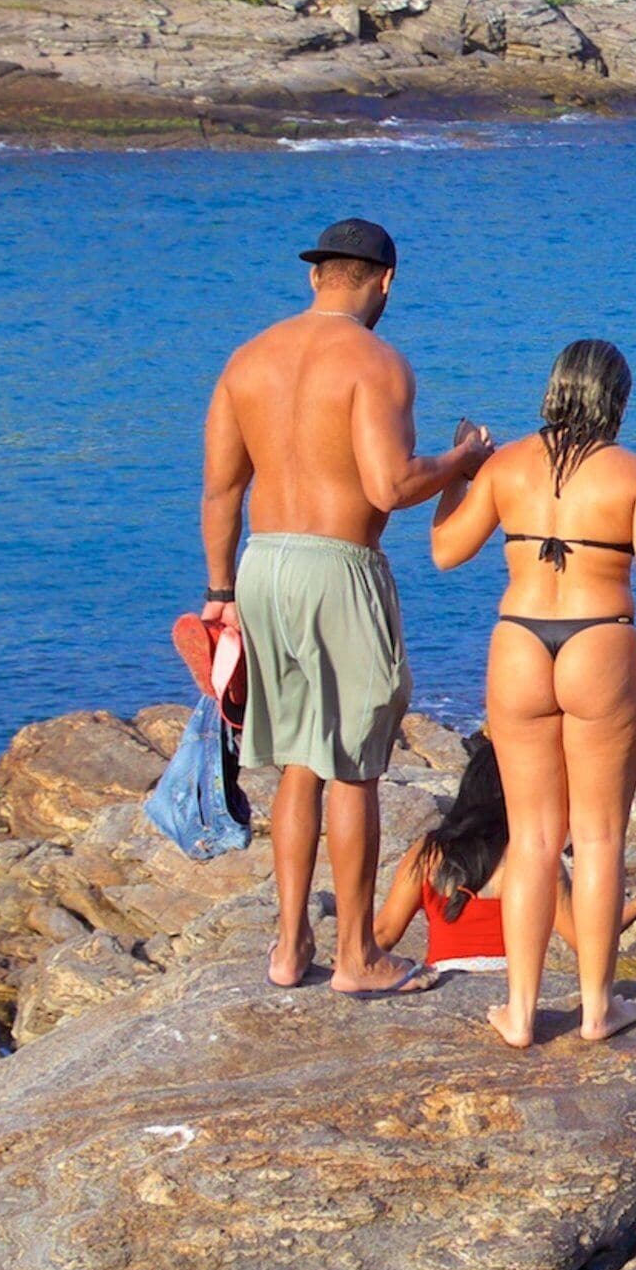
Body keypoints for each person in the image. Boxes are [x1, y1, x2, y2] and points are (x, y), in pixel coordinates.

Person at [200, 217, 491, 993]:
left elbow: (222, 491)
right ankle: (358, 957)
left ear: (315, 276)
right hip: (338, 566)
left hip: (261, 566)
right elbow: (389, 486)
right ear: (385, 281)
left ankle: (289, 947)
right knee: (354, 766)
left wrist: (219, 593)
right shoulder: (376, 362)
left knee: (301, 761)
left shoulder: (247, 359)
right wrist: (462, 459)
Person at [431, 338, 636, 1048]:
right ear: (617, 400)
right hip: (599, 642)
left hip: (519, 642)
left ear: (554, 389)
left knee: (532, 838)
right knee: (602, 836)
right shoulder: (635, 473)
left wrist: (459, 470)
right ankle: (596, 1010)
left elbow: (446, 551)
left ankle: (520, 1014)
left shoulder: (505, 466)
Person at [369, 733, 636, 975]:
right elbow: (585, 940)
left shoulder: (429, 852)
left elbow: (383, 934)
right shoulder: (534, 857)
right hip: (514, 986)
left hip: (445, 981)